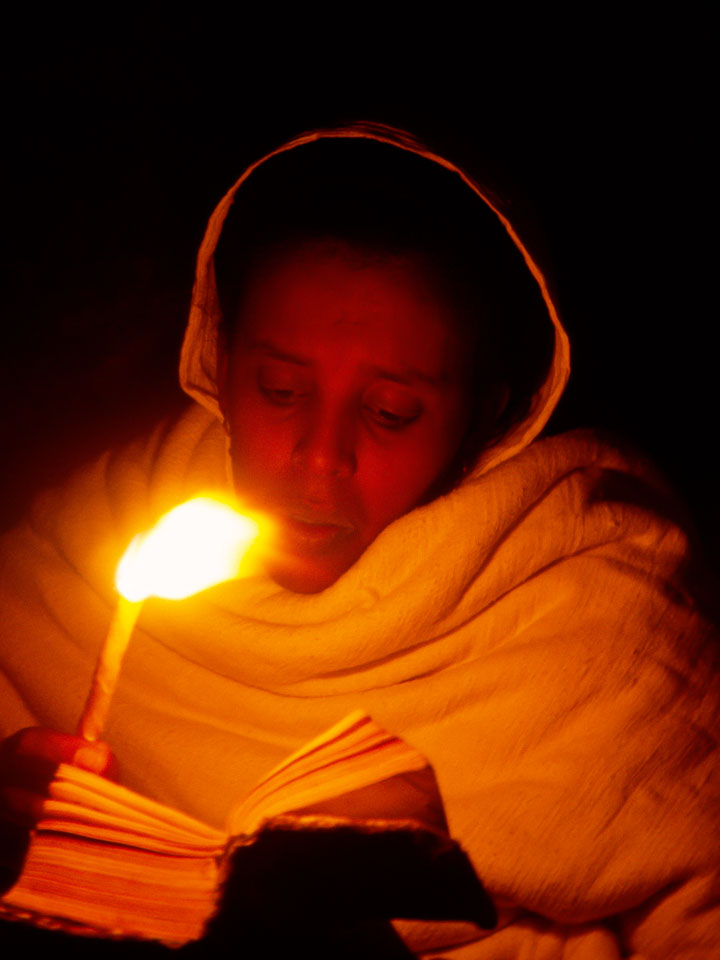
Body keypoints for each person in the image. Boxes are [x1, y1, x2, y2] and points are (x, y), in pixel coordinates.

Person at [1, 123, 718, 958]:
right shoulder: (105, 526)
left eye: (390, 413)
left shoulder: (599, 593)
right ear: (218, 359)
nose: (320, 457)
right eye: (278, 390)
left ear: (487, 413)